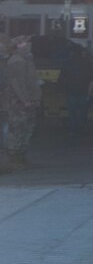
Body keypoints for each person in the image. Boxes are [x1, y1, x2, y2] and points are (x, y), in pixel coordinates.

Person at [2, 37, 39, 172]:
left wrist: (35, 98)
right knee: (17, 129)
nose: (28, 44)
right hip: (18, 103)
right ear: (17, 45)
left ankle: (21, 157)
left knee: (27, 129)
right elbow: (16, 84)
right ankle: (14, 158)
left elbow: (33, 81)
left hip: (29, 101)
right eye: (24, 42)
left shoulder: (27, 59)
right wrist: (25, 100)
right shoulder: (16, 61)